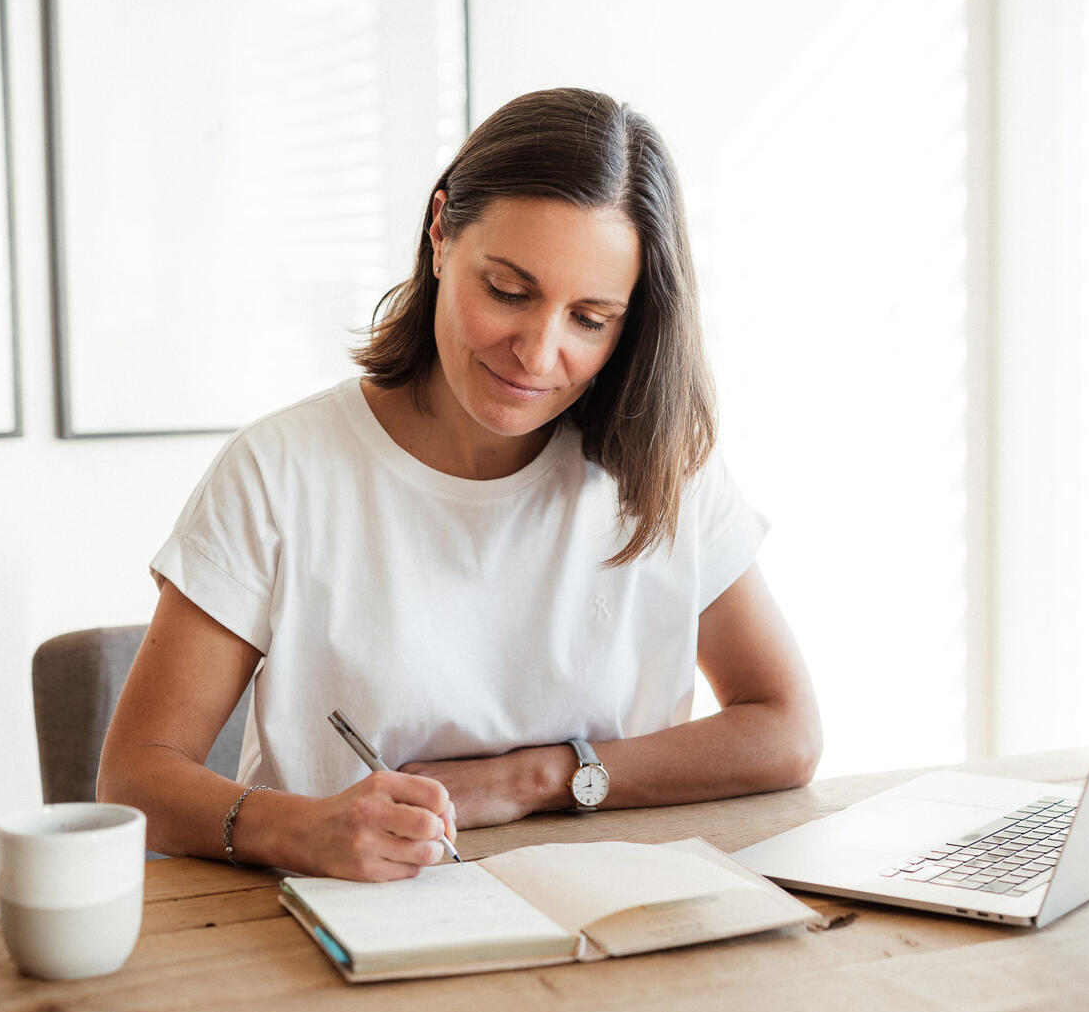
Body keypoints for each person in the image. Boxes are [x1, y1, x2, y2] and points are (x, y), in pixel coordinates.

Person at [97, 87, 820, 882]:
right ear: (441, 234)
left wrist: (535, 778)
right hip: (359, 924)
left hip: (614, 914)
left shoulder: (662, 464)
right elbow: (135, 777)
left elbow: (785, 731)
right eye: (508, 292)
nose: (538, 356)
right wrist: (301, 827)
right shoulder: (281, 473)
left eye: (591, 319)